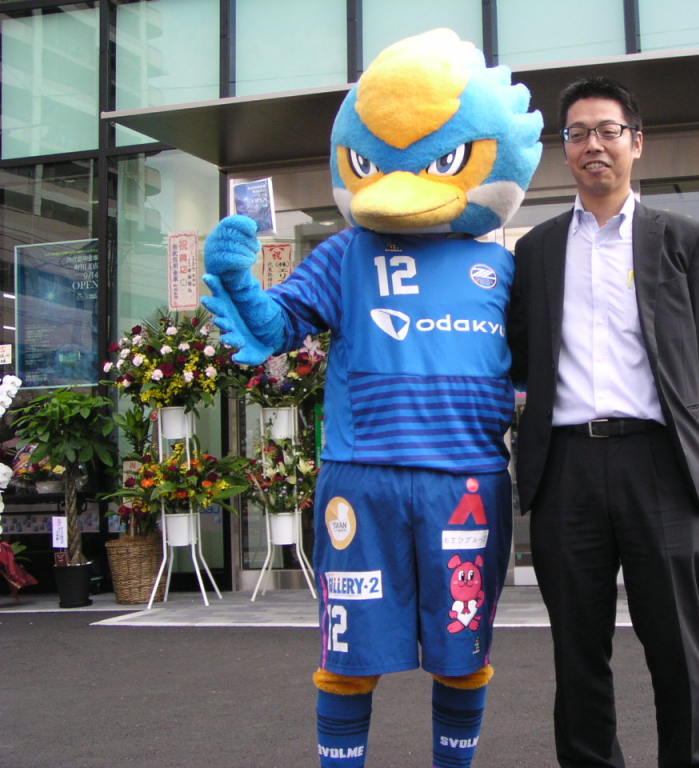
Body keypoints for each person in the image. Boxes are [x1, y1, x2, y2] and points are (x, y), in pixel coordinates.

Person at [201, 29, 541, 768]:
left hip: (466, 485)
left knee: (463, 654)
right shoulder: (344, 254)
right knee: (349, 656)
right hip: (361, 480)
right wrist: (236, 282)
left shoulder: (505, 268)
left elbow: (539, 367)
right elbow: (277, 326)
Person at [508, 76, 699, 768]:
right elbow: (523, 352)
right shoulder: (535, 250)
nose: (593, 146)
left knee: (676, 644)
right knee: (577, 650)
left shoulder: (684, 239)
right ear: (565, 150)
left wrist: (661, 409)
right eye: (577, 134)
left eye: (608, 131)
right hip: (565, 468)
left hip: (656, 462)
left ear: (637, 143)